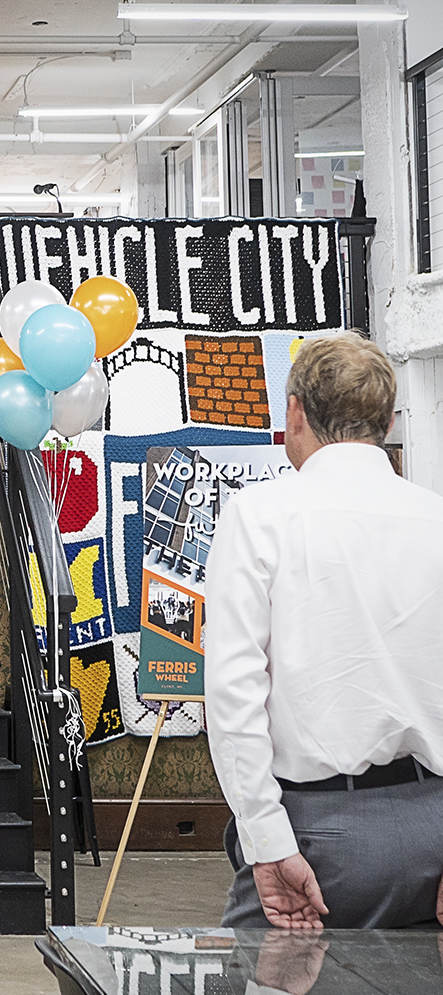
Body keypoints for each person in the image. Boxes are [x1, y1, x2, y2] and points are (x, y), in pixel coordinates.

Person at [205, 332, 443, 930]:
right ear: (387, 419)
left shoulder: (258, 518)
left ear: (294, 411)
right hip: (433, 831)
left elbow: (234, 698)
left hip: (313, 833)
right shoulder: (436, 520)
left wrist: (267, 841)